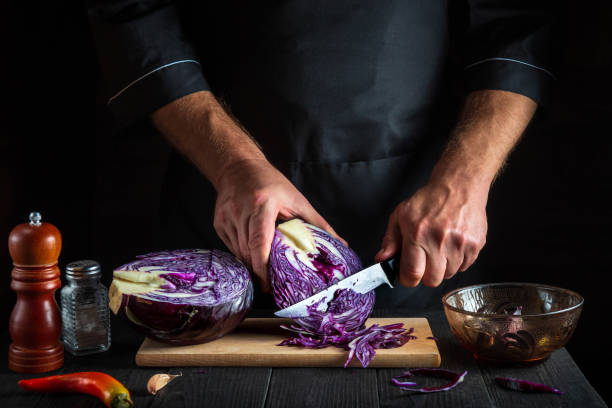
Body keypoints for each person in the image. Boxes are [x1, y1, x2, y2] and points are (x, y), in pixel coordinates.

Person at [88, 1, 555, 309]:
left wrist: (464, 181)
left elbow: (516, 25)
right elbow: (135, 13)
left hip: (422, 231)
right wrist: (234, 162)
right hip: (226, 216)